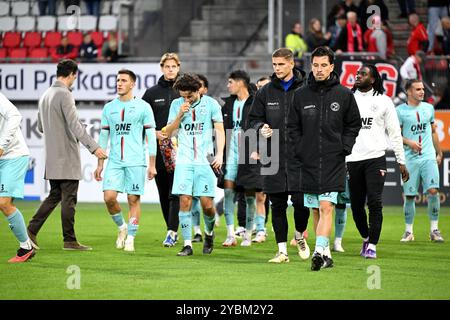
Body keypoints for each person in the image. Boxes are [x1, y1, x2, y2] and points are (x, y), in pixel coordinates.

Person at [288, 46, 361, 271]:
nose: (319, 70)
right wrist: (300, 148)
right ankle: (327, 254)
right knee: (316, 210)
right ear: (312, 66)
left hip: (333, 160)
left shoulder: (344, 95)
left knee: (327, 205)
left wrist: (345, 147)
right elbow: (292, 126)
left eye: (323, 65)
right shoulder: (300, 95)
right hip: (308, 161)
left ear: (331, 66)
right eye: (315, 65)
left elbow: (353, 124)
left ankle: (318, 251)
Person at [27, 59, 107, 251]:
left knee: (54, 196)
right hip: (67, 156)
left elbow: (40, 127)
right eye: (75, 76)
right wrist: (94, 147)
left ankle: (30, 231)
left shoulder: (45, 94)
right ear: (72, 74)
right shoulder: (65, 94)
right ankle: (69, 240)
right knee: (69, 199)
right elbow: (75, 125)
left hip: (52, 156)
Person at [248, 48, 311, 263]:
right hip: (272, 153)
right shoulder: (265, 92)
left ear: (291, 63)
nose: (277, 68)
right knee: (277, 205)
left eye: (281, 64)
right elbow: (253, 119)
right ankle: (282, 251)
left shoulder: (306, 87)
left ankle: (299, 235)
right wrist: (260, 127)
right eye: (274, 64)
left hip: (300, 155)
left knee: (302, 203)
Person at [347, 65, 409, 259]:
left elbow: (394, 133)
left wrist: (401, 161)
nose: (358, 76)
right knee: (356, 206)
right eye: (357, 73)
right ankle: (366, 237)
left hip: (376, 158)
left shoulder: (384, 101)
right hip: (353, 159)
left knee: (375, 202)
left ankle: (372, 245)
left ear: (373, 79)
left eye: (363, 74)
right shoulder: (348, 99)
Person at [94, 69, 157, 252]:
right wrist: (100, 164)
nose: (119, 83)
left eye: (123, 80)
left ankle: (131, 237)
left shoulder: (144, 107)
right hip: (114, 161)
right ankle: (122, 227)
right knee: (109, 197)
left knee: (133, 199)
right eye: (117, 80)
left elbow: (151, 138)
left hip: (136, 161)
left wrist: (152, 165)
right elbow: (103, 138)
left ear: (132, 84)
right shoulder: (109, 108)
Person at [164, 74, 225, 256]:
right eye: (183, 96)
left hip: (204, 161)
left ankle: (209, 233)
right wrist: (180, 114)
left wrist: (220, 154)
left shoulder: (211, 105)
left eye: (189, 96)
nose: (186, 99)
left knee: (207, 205)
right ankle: (187, 244)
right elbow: (169, 133)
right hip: (184, 160)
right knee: (184, 201)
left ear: (199, 90)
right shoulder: (176, 105)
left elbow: (220, 130)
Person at [221, 70, 266, 247]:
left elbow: (263, 127)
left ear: (241, 83)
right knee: (228, 192)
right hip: (231, 151)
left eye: (230, 82)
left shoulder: (256, 102)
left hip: (250, 150)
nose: (228, 85)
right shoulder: (227, 105)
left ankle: (248, 233)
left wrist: (260, 150)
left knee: (250, 195)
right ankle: (231, 234)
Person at [397, 79, 444, 243]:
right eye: (417, 89)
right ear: (409, 92)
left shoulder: (429, 108)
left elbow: (433, 132)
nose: (422, 91)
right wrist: (409, 143)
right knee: (409, 196)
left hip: (428, 157)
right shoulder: (400, 111)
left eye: (422, 89)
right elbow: (395, 136)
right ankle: (408, 232)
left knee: (433, 191)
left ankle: (434, 230)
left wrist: (439, 152)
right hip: (410, 159)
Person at [142, 53, 181, 247]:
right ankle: (171, 229)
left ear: (178, 68)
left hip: (180, 148)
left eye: (174, 66)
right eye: (167, 66)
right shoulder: (151, 93)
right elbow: (142, 121)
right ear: (162, 68)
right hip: (158, 149)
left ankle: (172, 231)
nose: (171, 69)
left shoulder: (184, 91)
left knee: (176, 192)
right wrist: (154, 134)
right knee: (164, 192)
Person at [0, 93, 35, 263]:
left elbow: (15, 115)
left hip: (12, 155)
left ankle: (25, 248)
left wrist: (1, 145)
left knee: (4, 202)